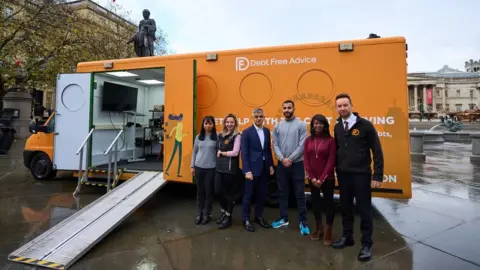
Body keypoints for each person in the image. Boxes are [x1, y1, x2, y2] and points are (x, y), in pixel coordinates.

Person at [331, 93, 384, 262]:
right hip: (343, 175)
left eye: (345, 105)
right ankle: (348, 237)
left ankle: (366, 244)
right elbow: (338, 150)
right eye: (339, 106)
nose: (342, 108)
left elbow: (377, 151)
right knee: (345, 208)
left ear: (351, 105)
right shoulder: (337, 127)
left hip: (361, 175)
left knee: (364, 210)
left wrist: (378, 174)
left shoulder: (365, 126)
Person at [271, 100, 310, 235]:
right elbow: (275, 144)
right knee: (282, 193)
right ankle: (283, 218)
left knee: (300, 194)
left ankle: (303, 221)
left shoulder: (301, 125)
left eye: (289, 107)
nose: (287, 110)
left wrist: (290, 159)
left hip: (297, 164)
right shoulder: (277, 126)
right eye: (285, 108)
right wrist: (282, 159)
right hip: (282, 165)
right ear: (282, 110)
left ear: (294, 108)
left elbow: (303, 145)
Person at [303, 114, 336, 246]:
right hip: (313, 178)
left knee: (329, 204)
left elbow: (331, 161)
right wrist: (312, 177)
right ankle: (319, 228)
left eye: (321, 123)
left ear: (325, 125)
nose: (318, 126)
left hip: (327, 178)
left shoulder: (331, 141)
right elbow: (306, 160)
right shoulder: (308, 140)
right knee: (316, 204)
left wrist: (322, 178)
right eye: (315, 123)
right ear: (312, 125)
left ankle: (328, 230)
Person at [240, 108, 275, 232]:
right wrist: (247, 170)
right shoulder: (246, 132)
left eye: (261, 116)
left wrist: (270, 165)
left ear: (264, 117)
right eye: (256, 116)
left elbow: (268, 149)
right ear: (252, 118)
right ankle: (246, 219)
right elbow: (244, 153)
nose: (259, 118)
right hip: (252, 170)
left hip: (264, 169)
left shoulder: (266, 131)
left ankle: (259, 217)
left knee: (262, 195)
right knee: (248, 195)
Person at [215, 114, 241, 229]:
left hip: (230, 169)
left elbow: (235, 152)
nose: (229, 124)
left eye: (231, 122)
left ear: (235, 123)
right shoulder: (220, 135)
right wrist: (218, 151)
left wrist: (222, 153)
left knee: (229, 194)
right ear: (224, 123)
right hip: (219, 168)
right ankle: (223, 211)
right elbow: (218, 148)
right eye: (227, 122)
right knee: (218, 191)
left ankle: (228, 217)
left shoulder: (237, 136)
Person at [191, 116, 218, 225]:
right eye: (206, 123)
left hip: (211, 169)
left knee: (209, 192)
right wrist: (192, 166)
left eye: (210, 123)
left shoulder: (217, 137)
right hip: (199, 167)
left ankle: (208, 214)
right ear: (203, 125)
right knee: (200, 192)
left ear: (213, 125)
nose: (208, 126)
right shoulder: (198, 137)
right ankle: (200, 213)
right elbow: (194, 152)